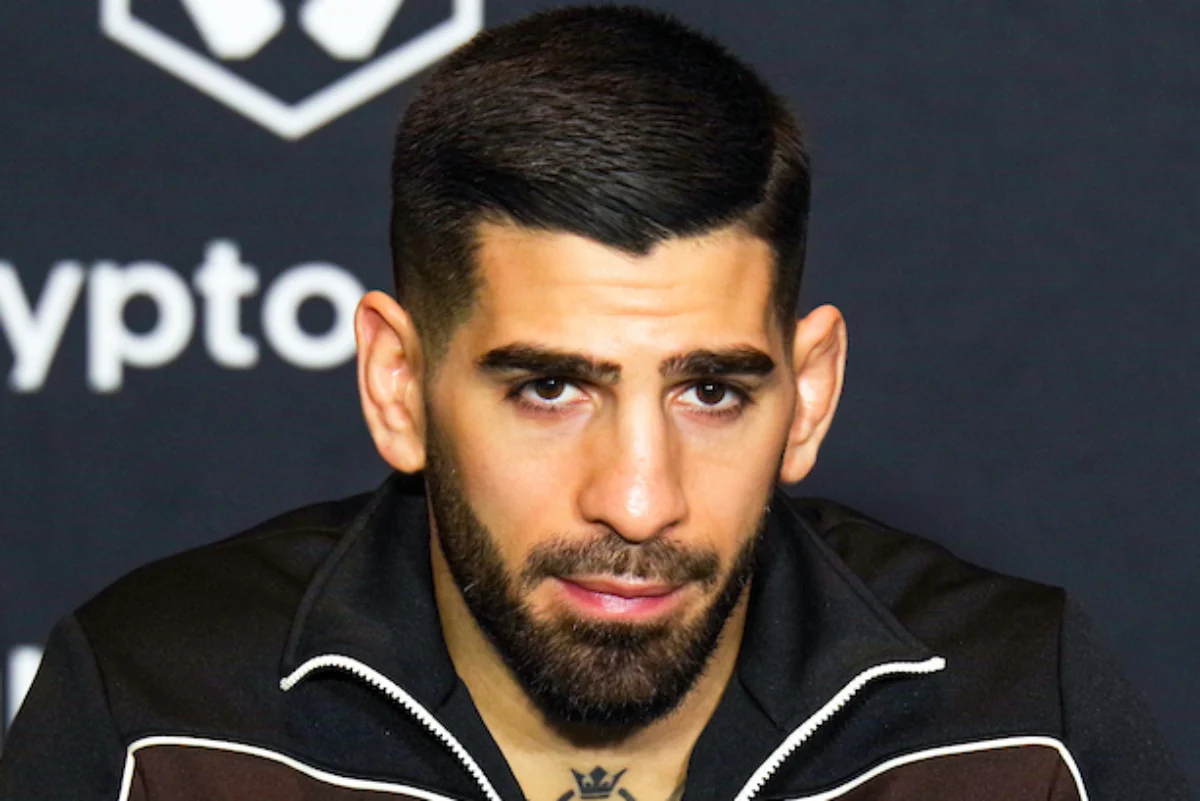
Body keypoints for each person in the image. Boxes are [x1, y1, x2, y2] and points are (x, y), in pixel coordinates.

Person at [0, 6, 1189, 801]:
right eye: (551, 388)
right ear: (399, 385)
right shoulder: (161, 717)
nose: (637, 499)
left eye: (711, 391)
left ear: (810, 394)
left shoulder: (1014, 716)